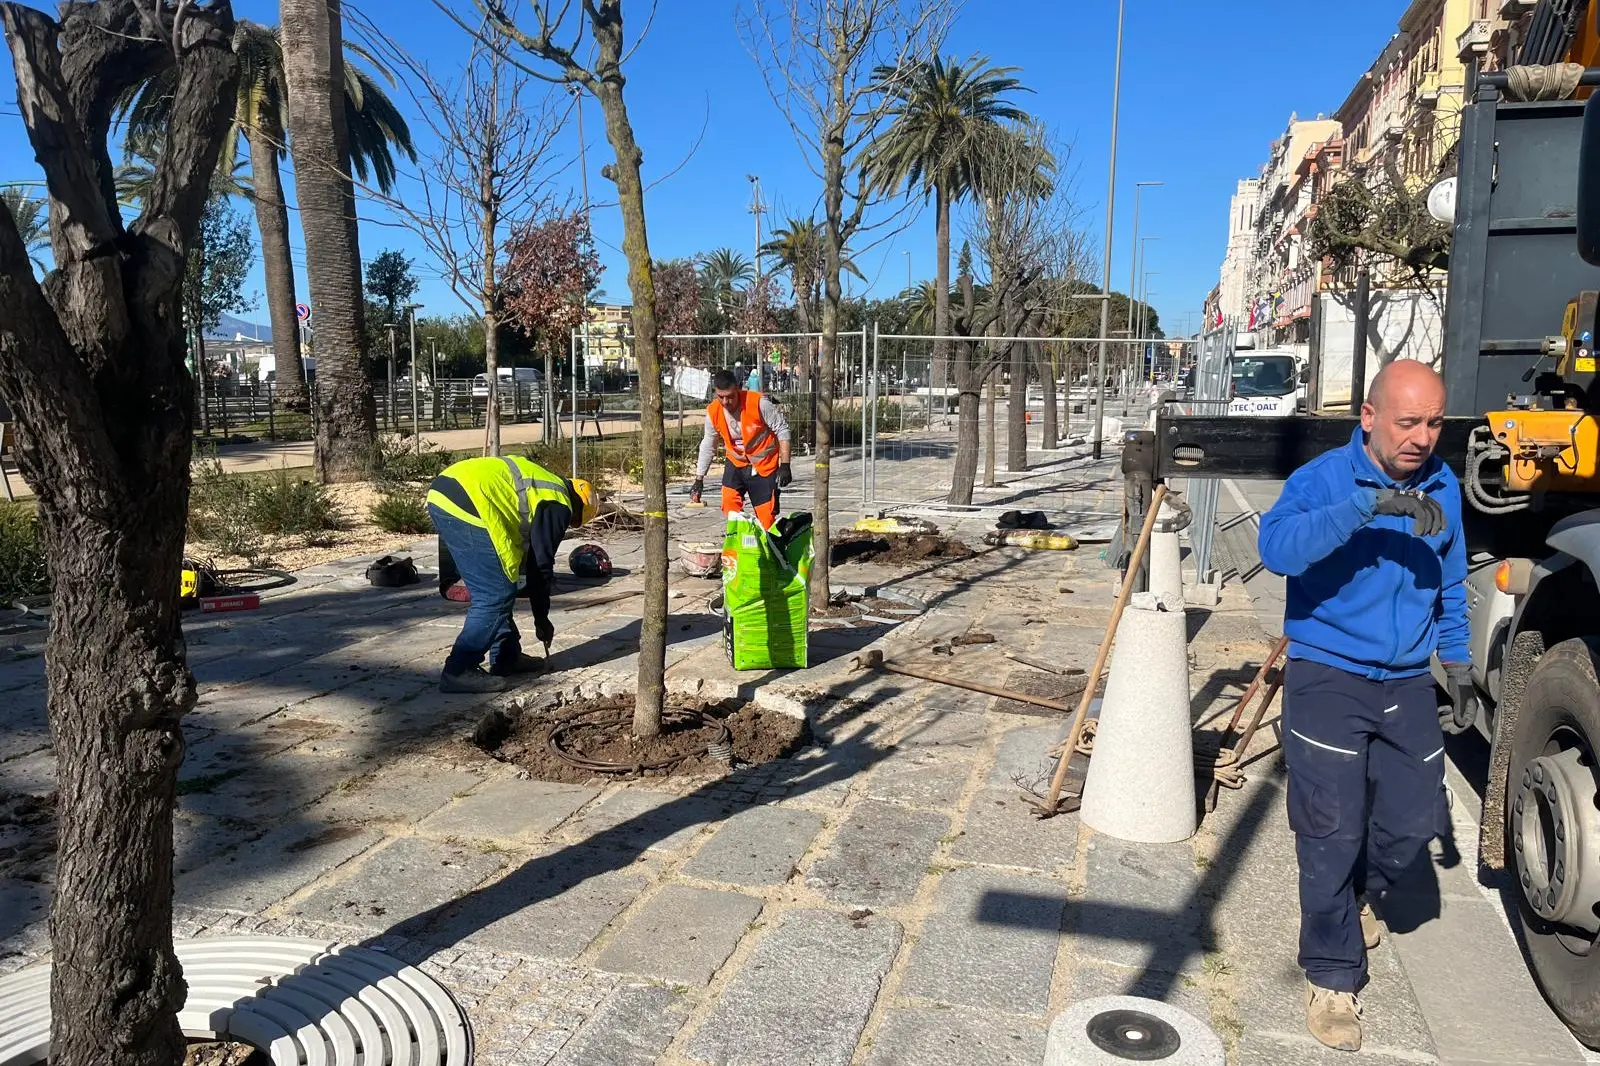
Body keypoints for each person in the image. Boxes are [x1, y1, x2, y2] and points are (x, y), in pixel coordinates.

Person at [1257, 360, 1474, 1053]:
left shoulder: (1442, 484)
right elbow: (1277, 550)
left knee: (1409, 824)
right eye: (1408, 421)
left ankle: (1355, 900)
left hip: (1407, 680)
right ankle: (1332, 975)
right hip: (1327, 675)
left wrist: (1459, 659)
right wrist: (1366, 508)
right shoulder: (1321, 482)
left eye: (1434, 422)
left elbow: (1451, 576)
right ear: (1370, 417)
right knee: (1330, 834)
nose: (1422, 437)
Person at [426, 455, 598, 694]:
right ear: (578, 505)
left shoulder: (543, 483)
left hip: (444, 493)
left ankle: (506, 657)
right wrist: (542, 620)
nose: (569, 523)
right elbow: (541, 567)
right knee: (495, 594)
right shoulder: (558, 502)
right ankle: (459, 669)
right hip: (470, 501)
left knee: (495, 584)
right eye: (574, 520)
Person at [692, 368, 793, 529]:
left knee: (766, 518)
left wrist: (785, 465)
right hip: (736, 462)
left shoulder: (758, 403)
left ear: (738, 389)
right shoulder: (713, 412)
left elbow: (782, 430)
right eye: (721, 397)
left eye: (730, 397)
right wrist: (699, 479)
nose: (725, 402)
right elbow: (708, 444)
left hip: (763, 465)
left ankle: (768, 548)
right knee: (730, 506)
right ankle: (739, 546)